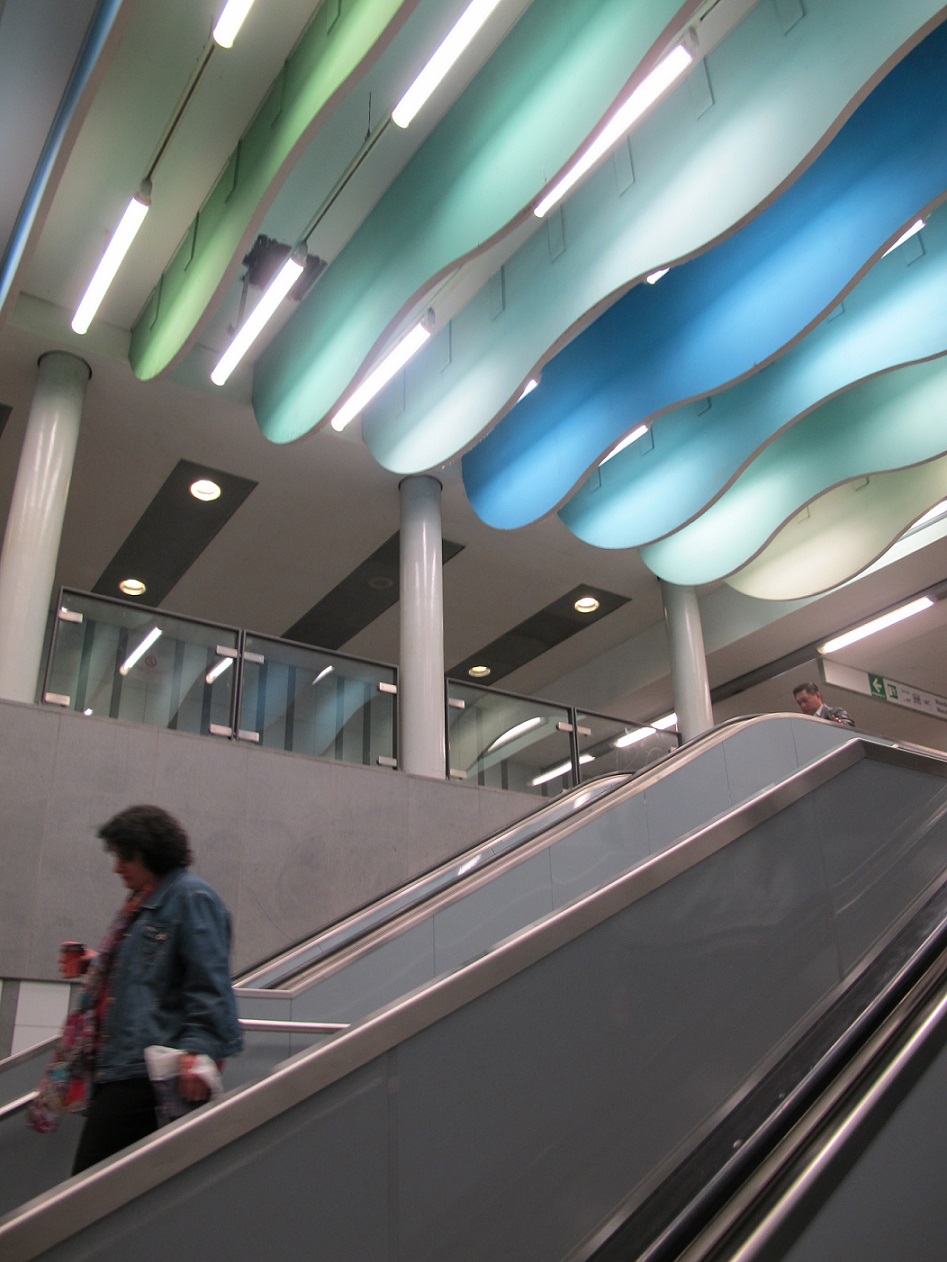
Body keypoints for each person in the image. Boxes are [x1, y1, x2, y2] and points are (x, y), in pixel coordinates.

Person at [28, 805, 243, 1174]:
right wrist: (97, 964)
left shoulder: (190, 898)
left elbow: (209, 982)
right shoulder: (142, 903)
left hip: (147, 1074)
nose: (117, 866)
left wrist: (199, 1049)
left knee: (89, 1193)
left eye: (125, 855)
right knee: (104, 1191)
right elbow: (151, 975)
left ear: (151, 851)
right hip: (122, 1069)